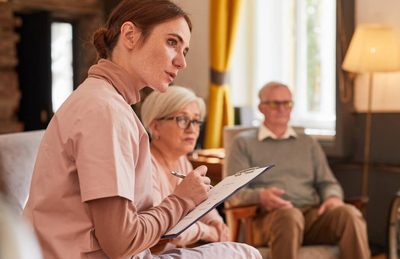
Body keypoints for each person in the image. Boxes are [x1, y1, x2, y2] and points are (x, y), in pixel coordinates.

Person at [22, 1, 262, 258]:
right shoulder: (106, 110)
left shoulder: (104, 102)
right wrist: (181, 200)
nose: (182, 62)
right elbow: (121, 243)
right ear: (130, 35)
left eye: (185, 50)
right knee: (245, 254)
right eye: (172, 42)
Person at [227, 82, 370, 259]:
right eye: (275, 103)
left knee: (349, 214)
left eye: (287, 103)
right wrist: (261, 196)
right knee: (290, 216)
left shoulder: (307, 142)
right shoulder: (243, 143)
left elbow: (328, 182)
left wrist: (333, 197)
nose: (282, 109)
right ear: (261, 107)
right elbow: (233, 193)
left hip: (311, 216)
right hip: (267, 218)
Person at [141, 86, 230, 253]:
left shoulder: (182, 161)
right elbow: (166, 228)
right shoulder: (145, 164)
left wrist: (216, 222)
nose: (192, 129)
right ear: (156, 126)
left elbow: (203, 202)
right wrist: (209, 232)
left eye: (196, 121)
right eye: (182, 119)